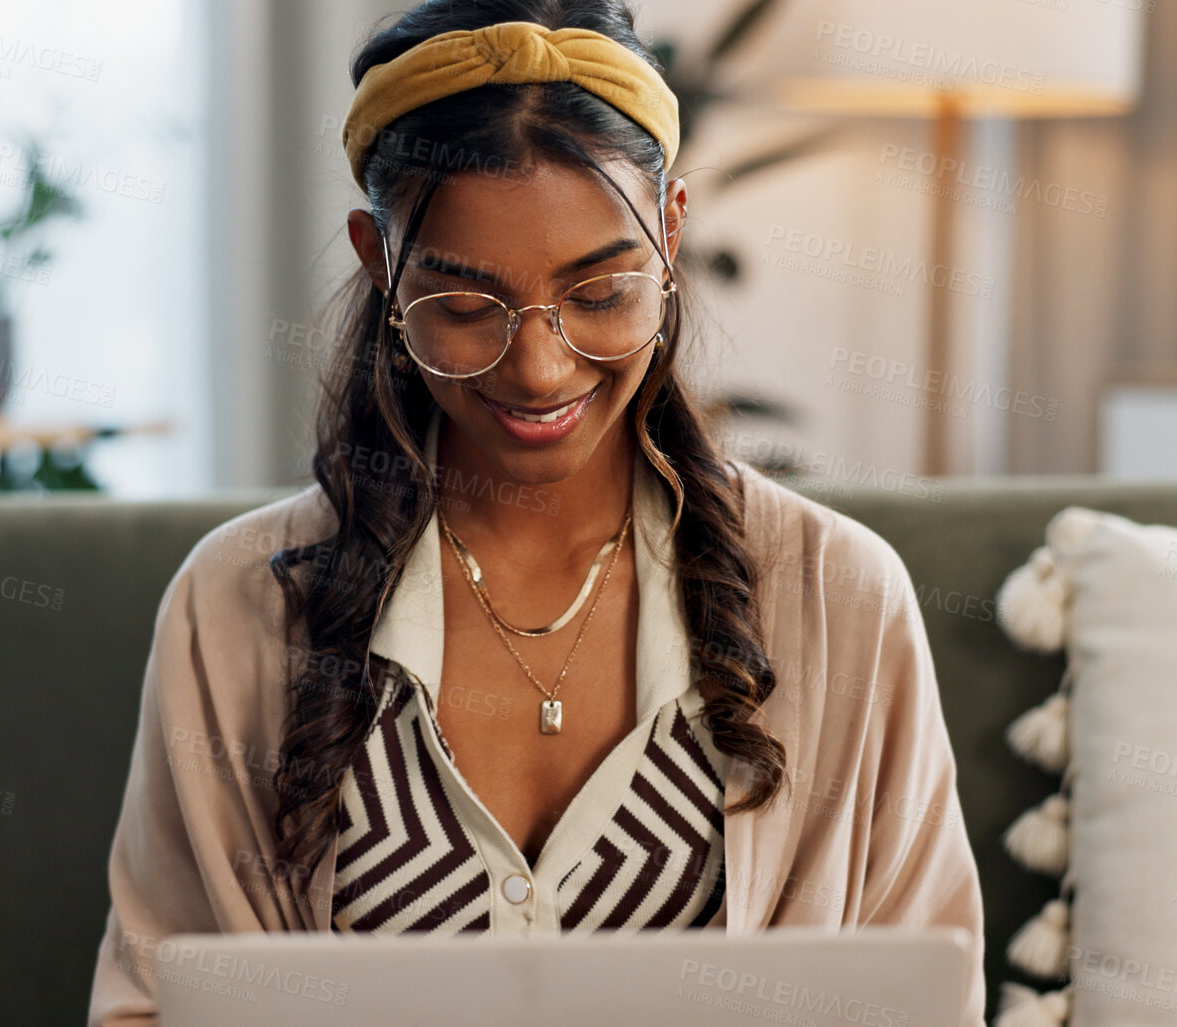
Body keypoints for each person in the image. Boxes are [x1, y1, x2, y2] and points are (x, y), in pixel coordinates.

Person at [88, 2, 987, 1024]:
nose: (540, 367)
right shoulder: (234, 607)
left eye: (600, 293)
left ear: (673, 231)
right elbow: (154, 998)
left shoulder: (840, 597)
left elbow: (922, 998)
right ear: (380, 265)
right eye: (466, 308)